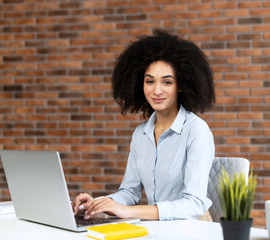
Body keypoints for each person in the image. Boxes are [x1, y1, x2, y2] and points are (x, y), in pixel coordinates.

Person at [72, 29, 216, 221]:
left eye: (167, 82)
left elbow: (194, 204)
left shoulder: (196, 130)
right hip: (158, 228)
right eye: (150, 81)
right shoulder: (141, 134)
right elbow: (129, 193)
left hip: (193, 228)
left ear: (180, 85)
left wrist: (129, 212)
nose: (157, 90)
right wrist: (99, 203)